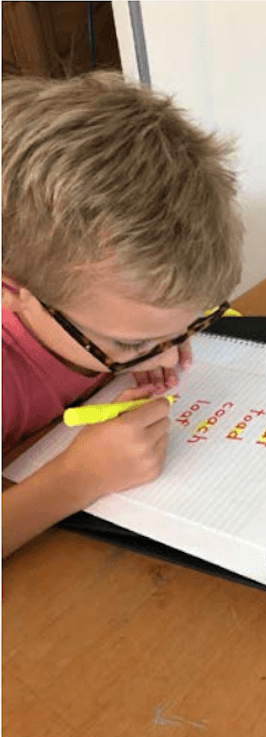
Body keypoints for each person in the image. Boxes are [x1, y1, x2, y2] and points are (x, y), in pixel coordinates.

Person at [2, 71, 243, 557]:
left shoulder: (87, 307)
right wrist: (76, 480)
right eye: (130, 343)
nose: (172, 355)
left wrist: (152, 340)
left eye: (191, 325)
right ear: (15, 291)